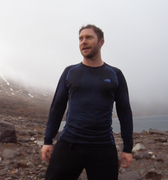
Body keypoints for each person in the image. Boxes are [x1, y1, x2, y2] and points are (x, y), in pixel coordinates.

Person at [41, 24, 133, 180]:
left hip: (103, 147)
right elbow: (57, 107)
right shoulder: (70, 72)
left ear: (101, 42)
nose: (83, 41)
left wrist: (128, 148)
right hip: (70, 144)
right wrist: (47, 140)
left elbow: (124, 111)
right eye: (80, 39)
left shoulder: (115, 74)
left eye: (89, 37)